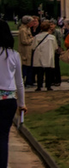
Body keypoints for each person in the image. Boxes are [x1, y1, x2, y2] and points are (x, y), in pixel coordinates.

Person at [1, 23, 29, 168]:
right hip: (8, 100)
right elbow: (19, 83)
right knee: (3, 137)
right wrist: (22, 103)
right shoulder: (14, 55)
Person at [30, 22, 56, 92]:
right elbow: (55, 47)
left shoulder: (37, 37)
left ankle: (39, 86)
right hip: (48, 55)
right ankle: (48, 86)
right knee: (48, 71)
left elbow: (33, 47)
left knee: (39, 72)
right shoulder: (52, 37)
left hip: (39, 55)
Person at [16, 17, 34, 89]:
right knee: (24, 67)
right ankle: (22, 82)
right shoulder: (23, 30)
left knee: (29, 66)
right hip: (24, 51)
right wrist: (32, 39)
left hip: (29, 50)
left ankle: (28, 81)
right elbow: (24, 41)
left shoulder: (28, 29)